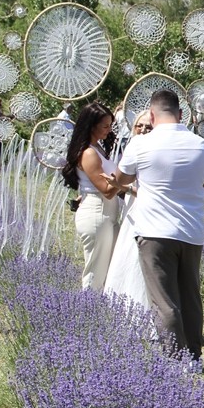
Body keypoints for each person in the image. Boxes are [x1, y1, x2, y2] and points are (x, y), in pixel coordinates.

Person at [105, 89, 204, 368]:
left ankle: (176, 359)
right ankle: (194, 357)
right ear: (181, 114)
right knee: (190, 296)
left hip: (154, 231)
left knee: (164, 299)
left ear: (152, 116)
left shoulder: (141, 144)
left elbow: (122, 178)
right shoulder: (202, 145)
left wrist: (119, 181)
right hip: (191, 230)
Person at [60, 102, 120, 291]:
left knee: (108, 270)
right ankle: (88, 307)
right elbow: (107, 190)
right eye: (105, 126)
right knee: (95, 273)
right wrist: (125, 175)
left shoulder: (98, 148)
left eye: (110, 125)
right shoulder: (88, 153)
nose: (109, 130)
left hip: (107, 213)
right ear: (91, 126)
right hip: (97, 212)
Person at [103, 112, 153, 324]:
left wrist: (122, 187)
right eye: (139, 126)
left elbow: (150, 192)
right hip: (131, 209)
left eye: (148, 127)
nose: (142, 130)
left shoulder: (153, 151)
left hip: (144, 209)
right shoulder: (132, 147)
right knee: (126, 256)